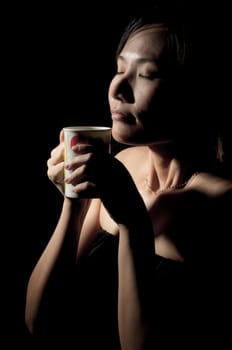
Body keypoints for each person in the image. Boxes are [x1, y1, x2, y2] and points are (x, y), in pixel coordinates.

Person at [25, 2, 232, 349]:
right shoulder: (122, 164)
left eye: (146, 74)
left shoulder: (219, 200)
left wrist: (133, 222)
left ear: (193, 92)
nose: (118, 88)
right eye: (118, 68)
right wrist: (73, 196)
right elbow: (38, 319)